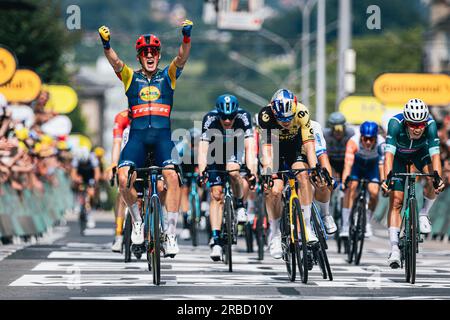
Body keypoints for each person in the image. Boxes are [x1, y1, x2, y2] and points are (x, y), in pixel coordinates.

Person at [98, 19, 193, 257]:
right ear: (139, 57)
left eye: (153, 52)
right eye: (144, 52)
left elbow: (181, 58)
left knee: (172, 177)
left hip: (162, 139)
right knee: (122, 177)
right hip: (138, 139)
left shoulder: (168, 76)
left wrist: (186, 38)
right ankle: (138, 222)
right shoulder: (131, 77)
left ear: (158, 55)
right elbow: (116, 63)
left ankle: (170, 233)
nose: (149, 55)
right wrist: (106, 45)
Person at [257, 89, 324, 260]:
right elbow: (267, 150)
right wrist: (269, 173)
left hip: (295, 146)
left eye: (289, 118)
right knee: (275, 190)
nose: (286, 122)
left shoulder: (301, 112)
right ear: (274, 111)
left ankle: (307, 227)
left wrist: (314, 167)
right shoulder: (265, 116)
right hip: (275, 149)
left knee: (303, 176)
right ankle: (274, 234)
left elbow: (309, 145)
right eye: (281, 119)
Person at [381, 99, 445, 268]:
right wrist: (386, 179)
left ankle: (423, 213)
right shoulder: (395, 124)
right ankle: (394, 249)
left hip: (419, 153)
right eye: (413, 125)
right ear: (406, 121)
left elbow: (436, 155)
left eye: (421, 124)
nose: (417, 129)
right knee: (396, 201)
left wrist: (438, 178)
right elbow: (388, 156)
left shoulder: (430, 126)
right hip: (398, 158)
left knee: (434, 177)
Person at [197, 94, 257, 261]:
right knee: (216, 194)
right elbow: (202, 150)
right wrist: (202, 172)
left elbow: (250, 147)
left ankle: (239, 204)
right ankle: (216, 240)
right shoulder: (209, 119)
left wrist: (251, 171)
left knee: (233, 170)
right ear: (218, 114)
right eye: (224, 117)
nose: (228, 121)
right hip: (215, 154)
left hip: (235, 151)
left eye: (231, 117)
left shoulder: (244, 117)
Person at [340, 121, 385, 239]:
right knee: (351, 187)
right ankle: (345, 225)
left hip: (372, 167)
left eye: (371, 139)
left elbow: (382, 166)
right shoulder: (353, 142)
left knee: (374, 193)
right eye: (365, 139)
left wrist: (384, 181)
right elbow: (348, 165)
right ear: (361, 137)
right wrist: (345, 181)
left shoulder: (381, 143)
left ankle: (367, 223)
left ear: (376, 138)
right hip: (357, 166)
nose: (368, 142)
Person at [107, 109, 130, 252]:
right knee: (122, 194)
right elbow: (117, 143)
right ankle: (118, 234)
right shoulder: (122, 117)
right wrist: (113, 165)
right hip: (125, 157)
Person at [308, 120, 338, 234]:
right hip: (286, 160)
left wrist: (328, 178)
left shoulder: (314, 126)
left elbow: (322, 155)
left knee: (323, 181)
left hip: (310, 160)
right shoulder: (273, 125)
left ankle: (326, 214)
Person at [71, 147, 101, 230]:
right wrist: (76, 179)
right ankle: (77, 202)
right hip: (81, 175)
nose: (84, 164)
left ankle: (89, 214)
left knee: (91, 192)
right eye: (82, 163)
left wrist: (94, 183)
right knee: (76, 185)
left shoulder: (93, 158)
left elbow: (97, 173)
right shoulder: (76, 159)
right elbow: (73, 174)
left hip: (90, 175)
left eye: (85, 162)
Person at [324, 112, 355, 180]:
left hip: (346, 161)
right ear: (331, 128)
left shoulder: (351, 134)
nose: (338, 131)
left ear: (344, 127)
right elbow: (325, 157)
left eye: (340, 128)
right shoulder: (325, 135)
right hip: (331, 162)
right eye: (335, 128)